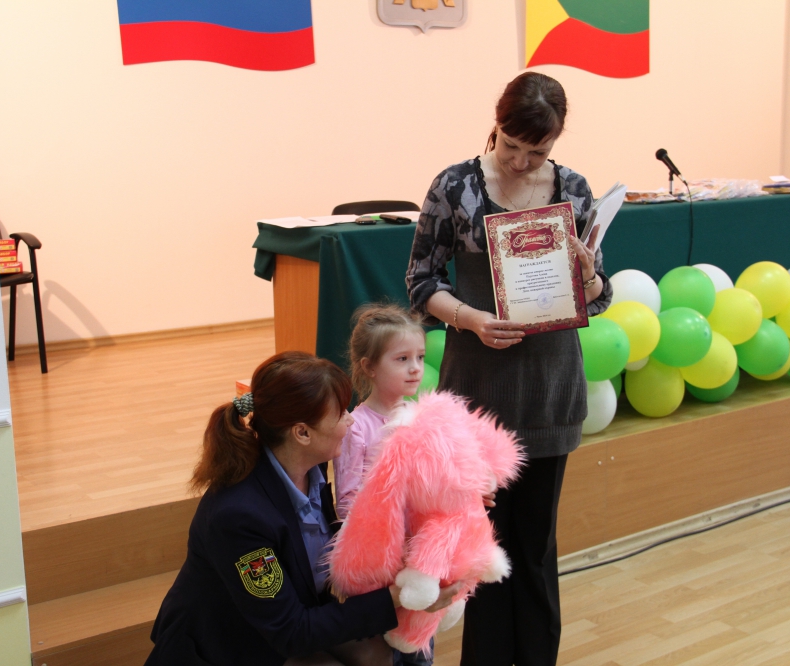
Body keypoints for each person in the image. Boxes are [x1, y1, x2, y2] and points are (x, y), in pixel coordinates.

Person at [405, 72, 613, 666]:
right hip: (479, 391)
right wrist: (471, 319)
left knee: (536, 547)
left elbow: (599, 297)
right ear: (495, 125)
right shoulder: (455, 186)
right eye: (510, 144)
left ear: (557, 142)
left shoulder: (574, 190)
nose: (521, 162)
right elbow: (420, 281)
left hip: (549, 389)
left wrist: (587, 275)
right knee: (481, 548)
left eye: (537, 152)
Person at [144, 351, 462, 666]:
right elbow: (291, 631)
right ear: (302, 433)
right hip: (229, 645)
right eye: (341, 413)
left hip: (289, 617)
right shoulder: (237, 516)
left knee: (378, 655)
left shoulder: (310, 468)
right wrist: (396, 597)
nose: (351, 420)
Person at [333, 304, 432, 666]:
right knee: (388, 650)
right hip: (380, 562)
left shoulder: (421, 416)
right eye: (402, 358)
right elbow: (347, 500)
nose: (415, 368)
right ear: (369, 367)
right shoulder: (356, 427)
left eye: (420, 357)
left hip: (418, 555)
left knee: (419, 646)